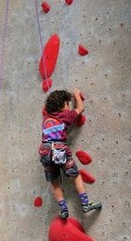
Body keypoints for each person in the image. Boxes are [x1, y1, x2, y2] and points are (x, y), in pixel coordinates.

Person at [39, 89, 102, 219]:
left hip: (44, 151)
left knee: (54, 181)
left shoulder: (46, 117)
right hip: (58, 149)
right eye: (67, 103)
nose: (68, 106)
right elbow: (80, 108)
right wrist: (76, 95)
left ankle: (63, 209)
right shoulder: (65, 116)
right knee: (75, 176)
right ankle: (85, 204)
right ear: (62, 105)